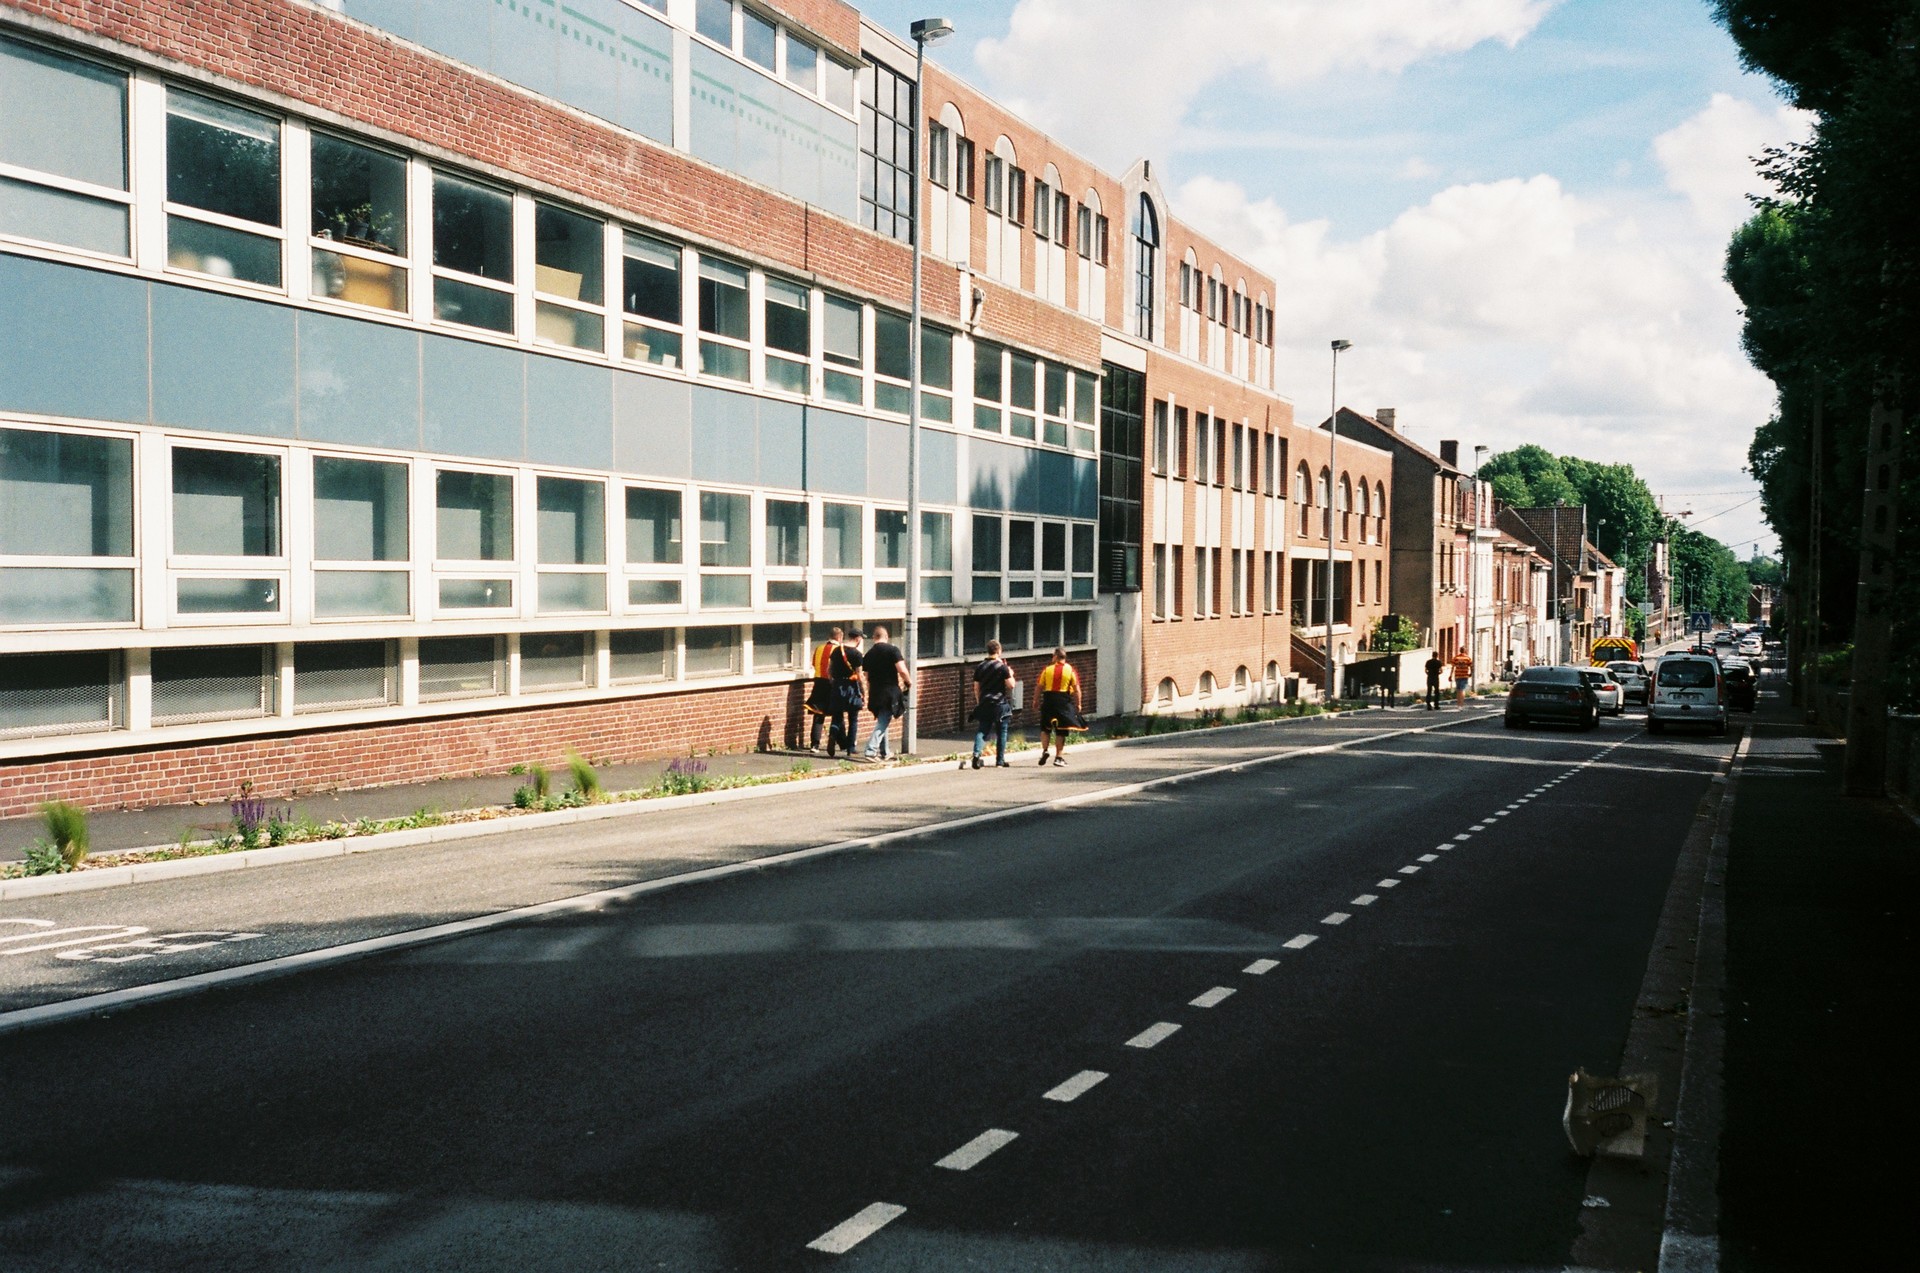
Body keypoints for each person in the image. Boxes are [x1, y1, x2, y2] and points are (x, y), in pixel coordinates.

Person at [860, 624, 911, 761]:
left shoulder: (869, 654)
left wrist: (869, 691)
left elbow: (867, 676)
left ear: (873, 637)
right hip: (889, 691)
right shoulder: (892, 650)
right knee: (884, 721)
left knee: (883, 720)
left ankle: (885, 751)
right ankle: (870, 751)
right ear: (886, 636)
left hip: (875, 691)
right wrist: (908, 681)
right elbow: (901, 669)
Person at [968, 639, 1015, 769]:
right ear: (999, 651)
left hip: (984, 702)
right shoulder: (1002, 667)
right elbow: (1011, 685)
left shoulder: (980, 666)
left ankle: (976, 755)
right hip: (999, 703)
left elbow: (976, 687)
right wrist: (1010, 673)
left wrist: (979, 702)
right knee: (1002, 731)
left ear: (988, 651)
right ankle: (1000, 761)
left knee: (982, 730)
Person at [1034, 647, 1086, 766]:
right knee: (1061, 730)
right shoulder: (1070, 670)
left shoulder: (1047, 670)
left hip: (1048, 700)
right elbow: (1077, 689)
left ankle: (1045, 750)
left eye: (1053, 656)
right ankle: (1058, 757)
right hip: (1063, 701)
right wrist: (1078, 703)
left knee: (1045, 728)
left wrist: (1035, 700)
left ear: (1056, 656)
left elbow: (1039, 686)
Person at [826, 630, 865, 758]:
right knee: (853, 718)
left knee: (837, 716)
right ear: (858, 639)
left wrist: (834, 682)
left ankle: (832, 735)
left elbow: (829, 670)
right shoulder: (857, 654)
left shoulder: (837, 650)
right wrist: (863, 691)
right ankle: (850, 748)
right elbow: (859, 675)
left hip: (837, 686)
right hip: (851, 687)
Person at [804, 626, 843, 751]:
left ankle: (814, 744)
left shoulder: (819, 648)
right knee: (837, 713)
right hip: (833, 683)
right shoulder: (839, 649)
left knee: (819, 714)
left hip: (819, 683)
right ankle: (841, 741)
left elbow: (814, 664)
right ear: (839, 637)